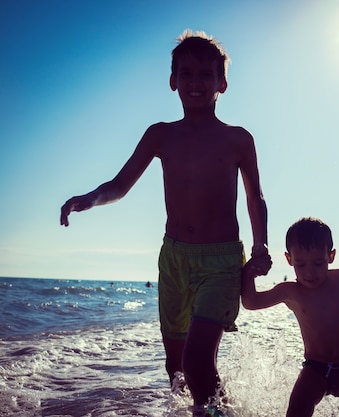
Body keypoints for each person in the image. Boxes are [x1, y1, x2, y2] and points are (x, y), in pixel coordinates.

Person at [60, 30, 272, 416]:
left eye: (205, 74)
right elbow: (120, 185)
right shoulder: (160, 135)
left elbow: (255, 198)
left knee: (196, 360)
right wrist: (89, 199)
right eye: (186, 73)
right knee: (176, 369)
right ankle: (218, 411)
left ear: (221, 84)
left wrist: (261, 247)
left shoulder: (238, 140)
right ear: (173, 80)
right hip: (174, 260)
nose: (195, 82)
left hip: (222, 262)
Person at [241, 217, 339, 417]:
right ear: (289, 260)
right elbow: (251, 302)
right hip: (315, 368)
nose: (309, 272)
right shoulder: (290, 291)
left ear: (330, 256)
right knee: (297, 411)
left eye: (318, 263)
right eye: (301, 264)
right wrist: (248, 273)